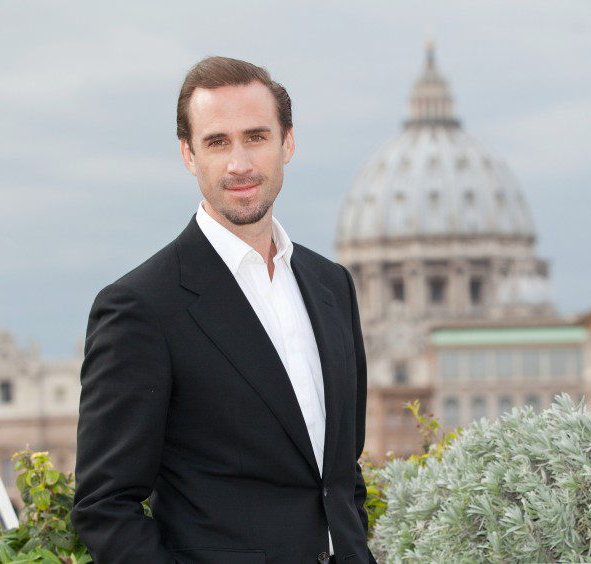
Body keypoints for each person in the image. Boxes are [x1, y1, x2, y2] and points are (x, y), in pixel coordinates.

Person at [70, 56, 375, 564]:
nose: (240, 164)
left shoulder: (332, 285)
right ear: (188, 155)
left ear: (288, 143)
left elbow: (341, 470)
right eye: (217, 142)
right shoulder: (140, 307)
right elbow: (105, 506)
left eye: (256, 137)